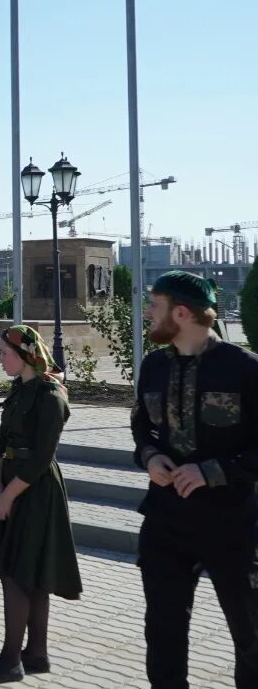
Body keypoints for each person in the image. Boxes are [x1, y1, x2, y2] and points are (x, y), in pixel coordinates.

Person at [132, 271, 258, 689]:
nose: (147, 313)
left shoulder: (243, 369)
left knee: (250, 635)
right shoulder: (152, 366)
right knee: (163, 633)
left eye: (155, 305)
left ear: (181, 313)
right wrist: (150, 457)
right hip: (166, 520)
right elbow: (142, 429)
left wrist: (211, 471)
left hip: (233, 522)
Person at [0, 325, 82, 684]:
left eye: (5, 353)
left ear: (25, 356)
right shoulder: (21, 390)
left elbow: (41, 457)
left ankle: (10, 659)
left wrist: (8, 494)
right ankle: (35, 653)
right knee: (26, 574)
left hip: (35, 490)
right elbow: (1, 440)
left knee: (20, 574)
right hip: (12, 484)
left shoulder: (51, 395)